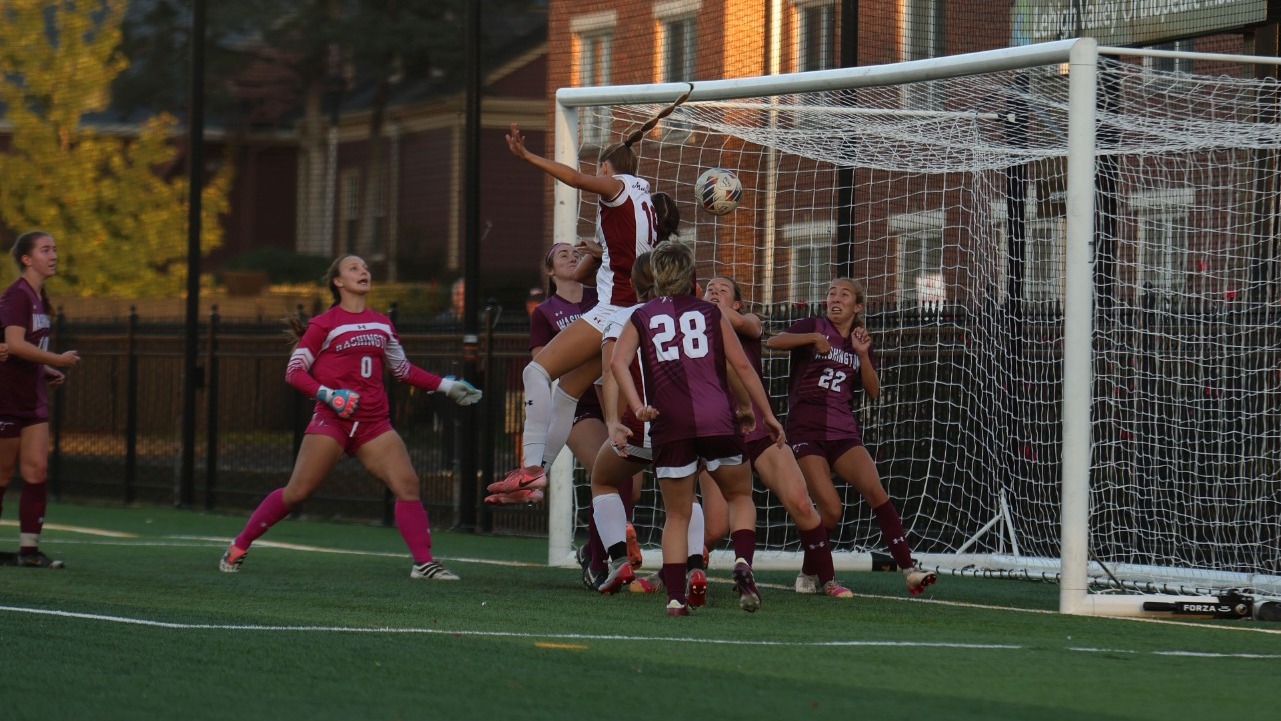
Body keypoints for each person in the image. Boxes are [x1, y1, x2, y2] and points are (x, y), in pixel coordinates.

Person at [219, 255, 483, 580]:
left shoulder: (382, 323)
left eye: (365, 268)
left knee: (408, 485)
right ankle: (239, 544)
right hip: (333, 420)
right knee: (297, 492)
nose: (364, 272)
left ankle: (423, 563)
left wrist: (446, 385)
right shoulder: (323, 324)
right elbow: (294, 372)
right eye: (354, 268)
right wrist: (330, 395)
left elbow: (402, 370)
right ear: (338, 282)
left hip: (373, 423)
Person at [488, 90, 689, 497]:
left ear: (607, 167)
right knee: (566, 392)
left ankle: (529, 466)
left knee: (536, 371)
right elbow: (623, 254)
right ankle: (536, 477)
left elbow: (577, 179)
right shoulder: (644, 197)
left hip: (617, 309)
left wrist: (528, 158)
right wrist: (594, 254)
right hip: (632, 307)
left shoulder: (617, 185)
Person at [634, 275, 852, 599]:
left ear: (736, 303)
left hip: (759, 430)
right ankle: (673, 571)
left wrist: (710, 308)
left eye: (722, 290)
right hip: (717, 431)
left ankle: (828, 579)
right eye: (708, 288)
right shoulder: (694, 328)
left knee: (802, 502)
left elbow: (745, 329)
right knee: (715, 527)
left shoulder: (746, 320)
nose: (713, 292)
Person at [605, 242, 784, 616]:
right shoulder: (710, 312)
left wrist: (637, 407)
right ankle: (742, 563)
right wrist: (761, 412)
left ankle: (674, 598)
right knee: (739, 496)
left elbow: (618, 364)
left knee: (677, 515)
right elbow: (743, 369)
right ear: (693, 278)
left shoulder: (641, 315)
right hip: (717, 418)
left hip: (670, 423)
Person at [766, 278, 938, 595]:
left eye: (844, 294)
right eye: (831, 292)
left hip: (844, 432)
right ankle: (812, 573)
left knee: (876, 491)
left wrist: (861, 354)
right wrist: (813, 338)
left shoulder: (858, 342)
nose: (835, 298)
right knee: (831, 508)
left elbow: (873, 390)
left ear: (856, 306)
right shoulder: (813, 325)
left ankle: (909, 570)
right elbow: (772, 341)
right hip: (806, 431)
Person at [0, 230, 80, 568]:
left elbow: (26, 350)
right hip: (6, 396)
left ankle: (29, 551)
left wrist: (46, 371)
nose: (53, 255)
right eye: (45, 249)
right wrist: (56, 361)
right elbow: (14, 345)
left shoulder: (40, 298)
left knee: (37, 470)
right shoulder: (16, 295)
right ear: (26, 259)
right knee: (2, 474)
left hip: (32, 398)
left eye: (55, 248)